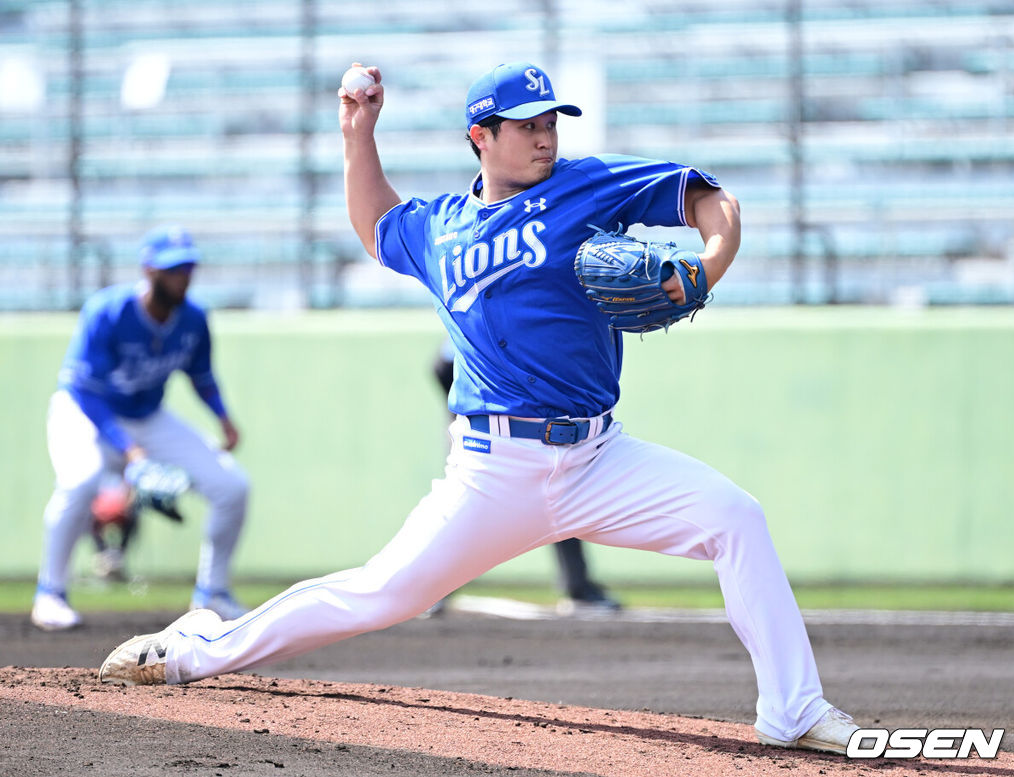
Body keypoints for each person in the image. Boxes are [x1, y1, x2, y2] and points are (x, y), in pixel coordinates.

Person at [99, 63, 859, 755]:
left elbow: (708, 199)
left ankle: (792, 709)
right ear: (481, 137)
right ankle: (194, 649)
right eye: (527, 125)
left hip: (599, 457)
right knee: (382, 593)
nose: (545, 136)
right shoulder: (441, 228)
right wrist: (357, 133)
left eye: (551, 122)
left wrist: (708, 266)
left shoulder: (589, 185)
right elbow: (375, 224)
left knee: (735, 518)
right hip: (494, 470)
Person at [32, 225, 251, 630]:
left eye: (188, 268)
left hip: (147, 415)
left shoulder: (193, 318)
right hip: (82, 412)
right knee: (81, 481)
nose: (182, 277)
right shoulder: (108, 311)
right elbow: (85, 391)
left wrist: (223, 417)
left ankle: (213, 593)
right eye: (173, 269)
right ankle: (50, 593)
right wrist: (127, 448)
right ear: (149, 270)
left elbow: (201, 376)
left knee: (232, 485)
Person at [430, 336, 620, 616]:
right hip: (488, 435)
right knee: (468, 512)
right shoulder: (479, 325)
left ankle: (579, 588)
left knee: (560, 502)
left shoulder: (531, 329)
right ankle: (432, 589)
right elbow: (442, 367)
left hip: (537, 433)